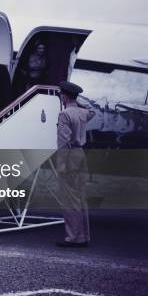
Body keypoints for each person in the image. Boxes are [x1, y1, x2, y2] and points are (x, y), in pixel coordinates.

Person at [54, 81, 95, 248]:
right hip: (81, 155)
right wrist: (78, 101)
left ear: (64, 96)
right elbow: (92, 110)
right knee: (80, 198)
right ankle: (84, 236)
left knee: (69, 200)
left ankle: (73, 237)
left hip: (70, 156)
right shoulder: (82, 112)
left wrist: (61, 165)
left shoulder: (65, 114)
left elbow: (63, 143)